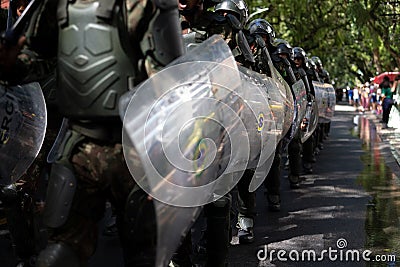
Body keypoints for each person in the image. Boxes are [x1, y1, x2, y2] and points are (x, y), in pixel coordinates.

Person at [0, 1, 184, 266]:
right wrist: (11, 64)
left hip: (136, 148)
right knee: (60, 252)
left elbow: (169, 80)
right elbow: (39, 60)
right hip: (79, 146)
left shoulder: (144, 4)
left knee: (148, 254)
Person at [293, 46, 316, 174]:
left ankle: (307, 161)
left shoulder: (304, 73)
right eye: (294, 58)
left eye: (299, 59)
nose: (296, 61)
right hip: (288, 109)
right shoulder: (285, 70)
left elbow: (309, 92)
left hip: (302, 108)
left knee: (306, 136)